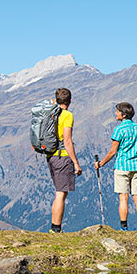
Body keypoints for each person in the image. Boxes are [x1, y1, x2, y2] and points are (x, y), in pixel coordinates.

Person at [94, 102, 137, 231]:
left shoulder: (119, 130)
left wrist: (101, 164)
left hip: (122, 166)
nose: (115, 113)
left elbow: (112, 151)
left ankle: (124, 227)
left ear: (123, 114)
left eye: (117, 111)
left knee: (123, 197)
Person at [47, 88, 82, 233]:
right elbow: (67, 141)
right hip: (62, 156)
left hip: (50, 156)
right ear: (70, 101)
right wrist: (75, 162)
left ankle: (55, 227)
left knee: (58, 192)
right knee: (61, 193)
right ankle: (56, 229)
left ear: (56, 100)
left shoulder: (49, 114)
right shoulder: (67, 116)